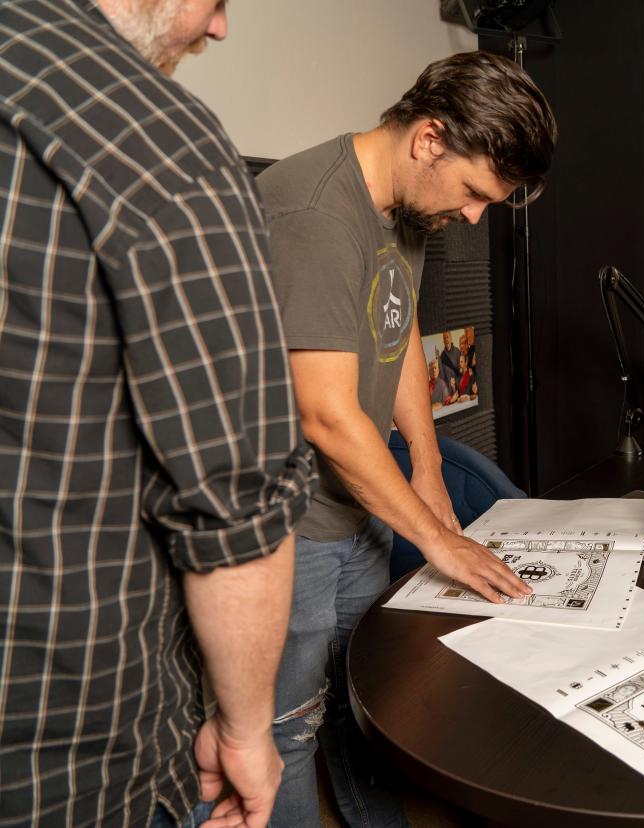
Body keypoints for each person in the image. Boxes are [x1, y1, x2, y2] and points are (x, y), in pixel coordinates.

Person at [0, 1, 317, 827]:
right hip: (75, 763)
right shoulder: (144, 128)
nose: (218, 29)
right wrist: (245, 728)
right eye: (215, 1)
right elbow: (235, 499)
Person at [257, 51, 556, 826]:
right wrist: (436, 539)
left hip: (353, 515)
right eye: (474, 192)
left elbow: (396, 329)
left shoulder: (403, 208)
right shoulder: (314, 212)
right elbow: (322, 413)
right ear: (428, 138)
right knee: (285, 735)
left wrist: (426, 465)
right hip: (283, 533)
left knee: (370, 705)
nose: (474, 216)